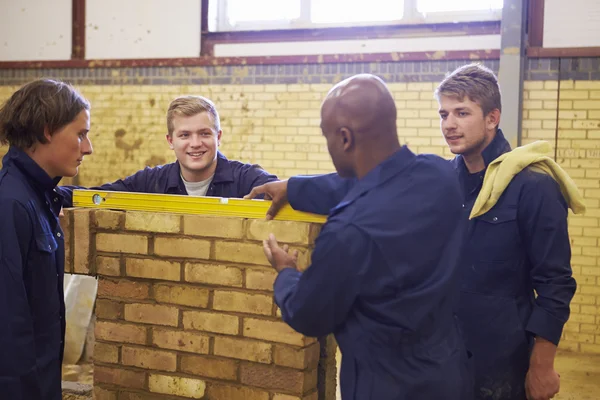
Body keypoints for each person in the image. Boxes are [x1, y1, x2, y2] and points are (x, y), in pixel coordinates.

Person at [247, 64, 577, 400]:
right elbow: (365, 184)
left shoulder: (533, 187)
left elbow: (555, 281)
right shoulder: (441, 177)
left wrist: (542, 364)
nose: (449, 124)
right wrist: (293, 187)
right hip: (445, 355)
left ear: (492, 118)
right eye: (444, 113)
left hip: (499, 359)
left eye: (462, 113)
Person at [259, 74, 471, 399]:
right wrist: (295, 188)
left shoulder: (347, 233)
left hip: (385, 386)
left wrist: (286, 273)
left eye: (326, 136)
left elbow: (309, 314)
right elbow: (375, 184)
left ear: (344, 138)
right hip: (447, 373)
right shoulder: (440, 175)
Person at [0, 79, 93, 399]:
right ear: (47, 129)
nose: (88, 147)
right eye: (81, 134)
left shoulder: (38, 198)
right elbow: (8, 328)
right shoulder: (10, 205)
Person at [59, 95, 277, 205]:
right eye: (184, 135)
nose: (195, 143)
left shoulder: (248, 180)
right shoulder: (151, 182)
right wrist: (49, 195)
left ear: (218, 137)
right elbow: (97, 196)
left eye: (204, 133)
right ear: (170, 140)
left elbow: (286, 194)